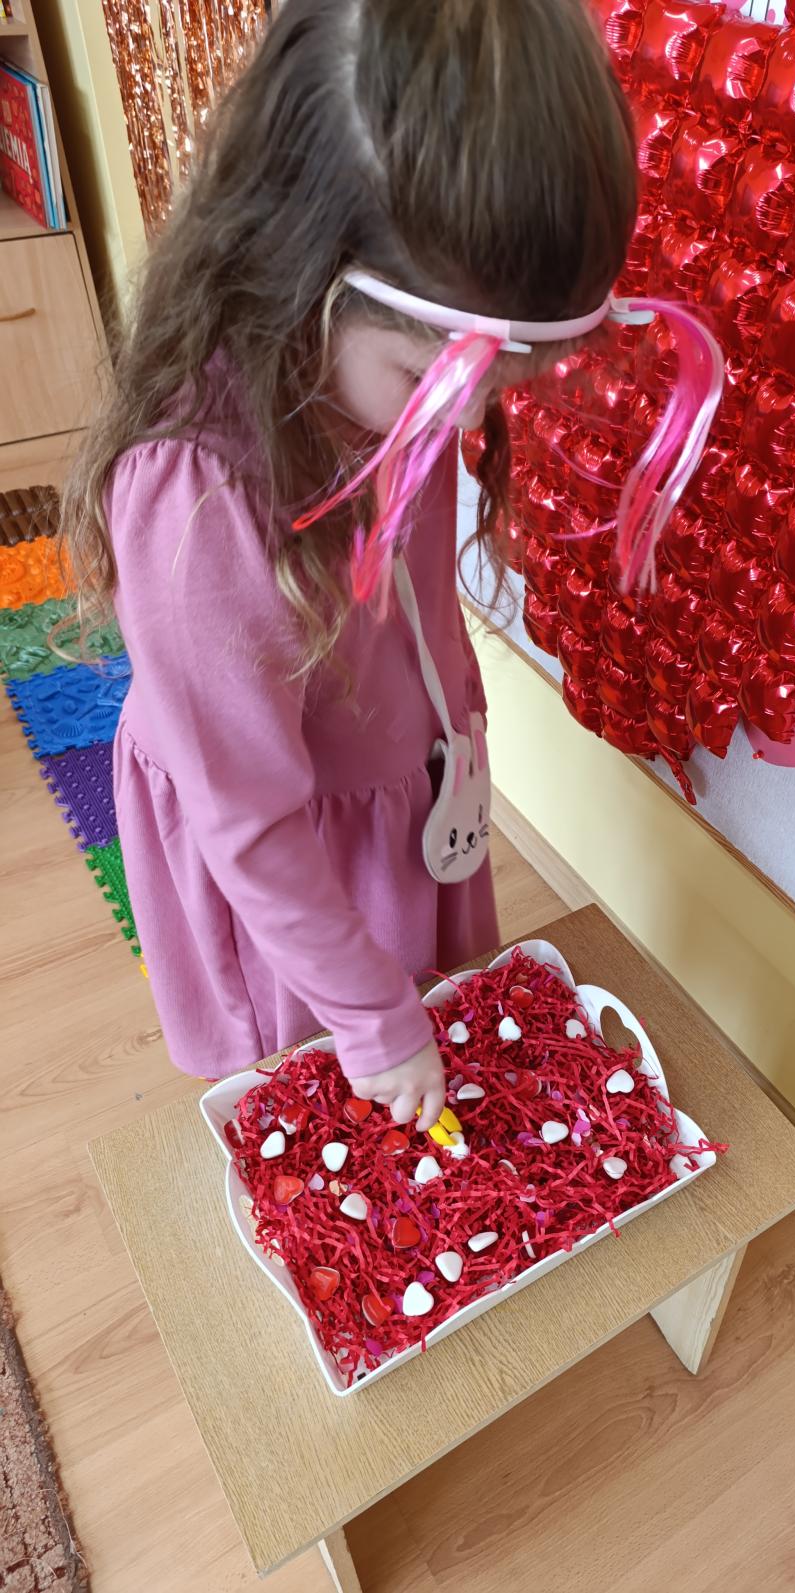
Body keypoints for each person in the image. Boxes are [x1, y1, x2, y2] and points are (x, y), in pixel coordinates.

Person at [60, 0, 639, 1130]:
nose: (464, 417)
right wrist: (372, 1014)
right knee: (327, 1119)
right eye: (434, 378)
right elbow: (251, 819)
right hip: (289, 861)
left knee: (425, 1082)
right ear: (306, 271)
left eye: (499, 384)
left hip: (402, 805)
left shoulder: (382, 380)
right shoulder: (198, 495)